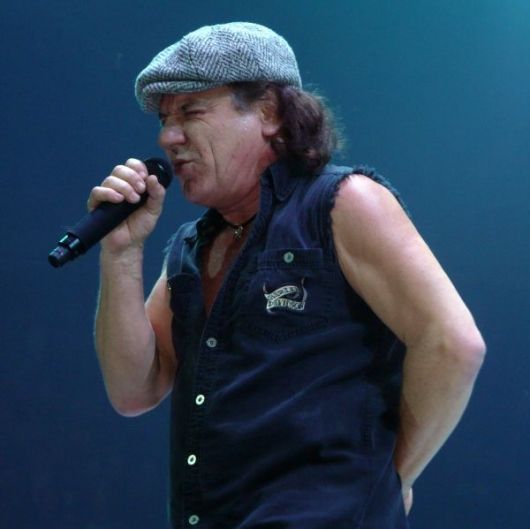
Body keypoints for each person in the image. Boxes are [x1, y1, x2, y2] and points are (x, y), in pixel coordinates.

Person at [89, 22, 486, 529]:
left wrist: (388, 480)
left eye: (191, 111)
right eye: (165, 118)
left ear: (270, 113)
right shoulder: (192, 245)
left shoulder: (344, 203)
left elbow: (453, 344)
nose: (168, 136)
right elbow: (133, 391)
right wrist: (122, 254)